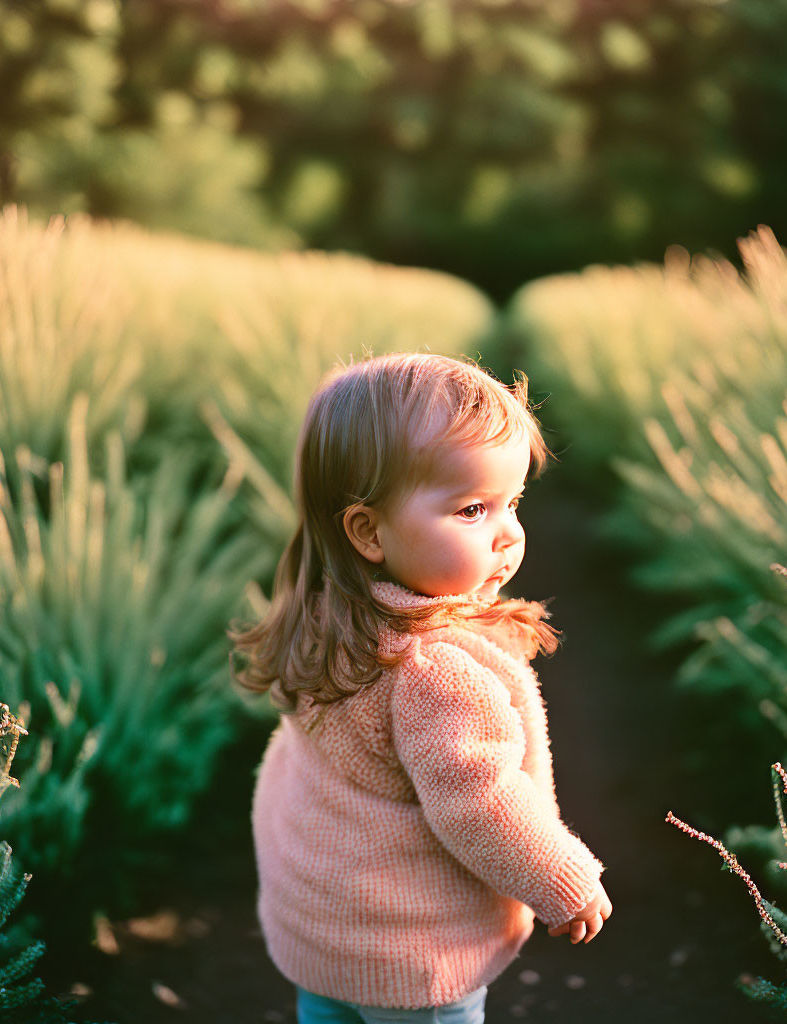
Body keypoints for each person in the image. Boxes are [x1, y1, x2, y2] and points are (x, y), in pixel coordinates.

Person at [229, 351, 612, 1024]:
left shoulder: (328, 618)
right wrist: (565, 880)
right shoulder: (437, 674)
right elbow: (481, 803)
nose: (508, 535)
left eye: (512, 503)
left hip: (323, 930)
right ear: (369, 531)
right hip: (411, 957)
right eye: (471, 510)